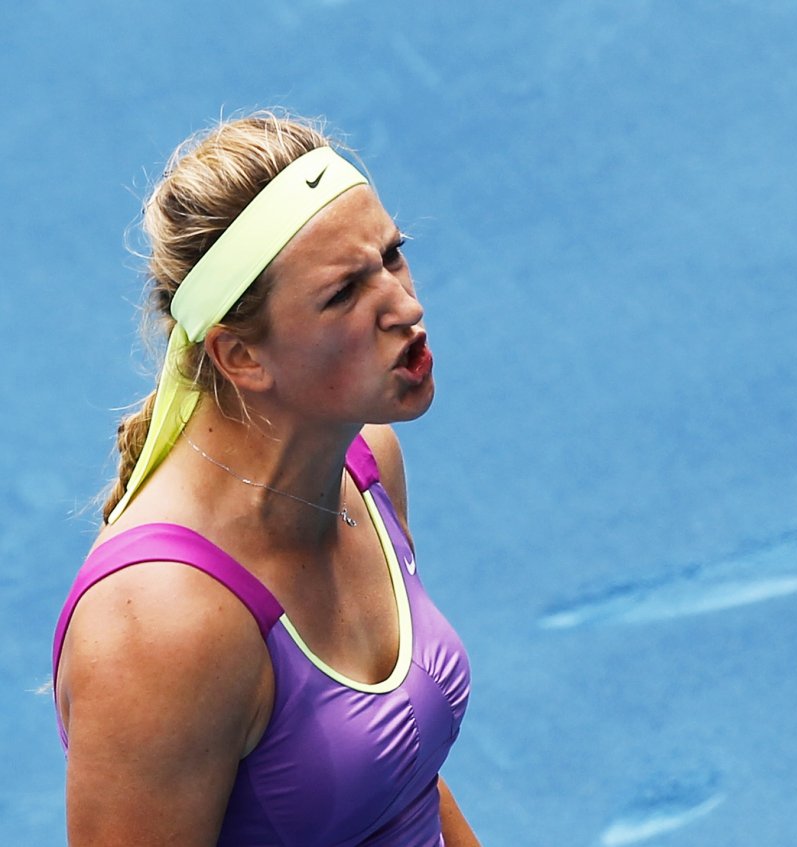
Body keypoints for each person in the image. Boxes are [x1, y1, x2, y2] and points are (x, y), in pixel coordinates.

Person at [50, 111, 478, 846]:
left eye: (392, 256)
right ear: (241, 356)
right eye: (343, 294)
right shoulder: (161, 627)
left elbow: (402, 780)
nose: (407, 306)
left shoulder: (364, 466)